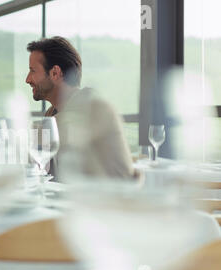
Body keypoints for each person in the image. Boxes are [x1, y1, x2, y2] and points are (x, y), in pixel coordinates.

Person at [25, 36, 137, 180]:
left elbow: (32, 151)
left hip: (110, 200)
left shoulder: (94, 107)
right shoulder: (51, 113)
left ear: (55, 73)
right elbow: (38, 165)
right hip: (73, 200)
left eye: (33, 71)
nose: (27, 79)